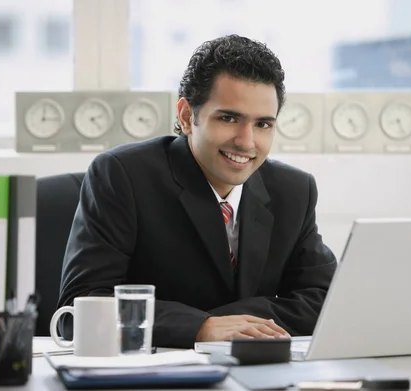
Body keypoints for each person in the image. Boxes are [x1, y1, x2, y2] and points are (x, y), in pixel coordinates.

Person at [57, 34, 337, 349]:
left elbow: (327, 299)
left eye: (263, 125)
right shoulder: (122, 175)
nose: (246, 142)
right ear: (188, 117)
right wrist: (198, 327)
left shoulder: (294, 190)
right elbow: (83, 304)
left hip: (252, 372)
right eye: (229, 118)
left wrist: (226, 322)